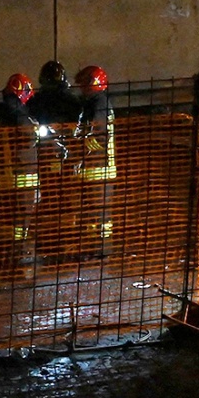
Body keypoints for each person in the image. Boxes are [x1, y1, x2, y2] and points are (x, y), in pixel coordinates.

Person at [0, 74, 44, 263]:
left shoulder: (2, 111)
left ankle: (12, 250)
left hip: (8, 173)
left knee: (11, 214)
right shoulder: (18, 114)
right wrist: (36, 132)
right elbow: (28, 136)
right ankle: (20, 252)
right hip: (23, 175)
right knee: (22, 216)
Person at [72, 65, 116, 255]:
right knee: (92, 214)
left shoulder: (99, 104)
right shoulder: (93, 104)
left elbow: (97, 135)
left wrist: (79, 150)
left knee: (100, 214)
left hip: (100, 169)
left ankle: (102, 250)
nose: (81, 88)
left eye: (84, 84)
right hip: (95, 169)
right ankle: (93, 248)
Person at [29, 59, 82, 124]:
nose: (50, 79)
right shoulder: (37, 100)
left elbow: (75, 118)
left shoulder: (71, 100)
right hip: (43, 131)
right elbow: (31, 116)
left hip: (65, 131)